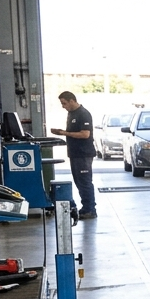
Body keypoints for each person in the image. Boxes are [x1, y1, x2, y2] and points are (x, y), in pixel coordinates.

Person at [50, 91, 97, 219]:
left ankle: (90, 209)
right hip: (75, 154)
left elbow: (85, 134)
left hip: (83, 154)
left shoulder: (83, 114)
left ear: (72, 101)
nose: (63, 106)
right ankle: (86, 207)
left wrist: (64, 133)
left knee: (85, 182)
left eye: (64, 103)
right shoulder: (71, 114)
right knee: (79, 182)